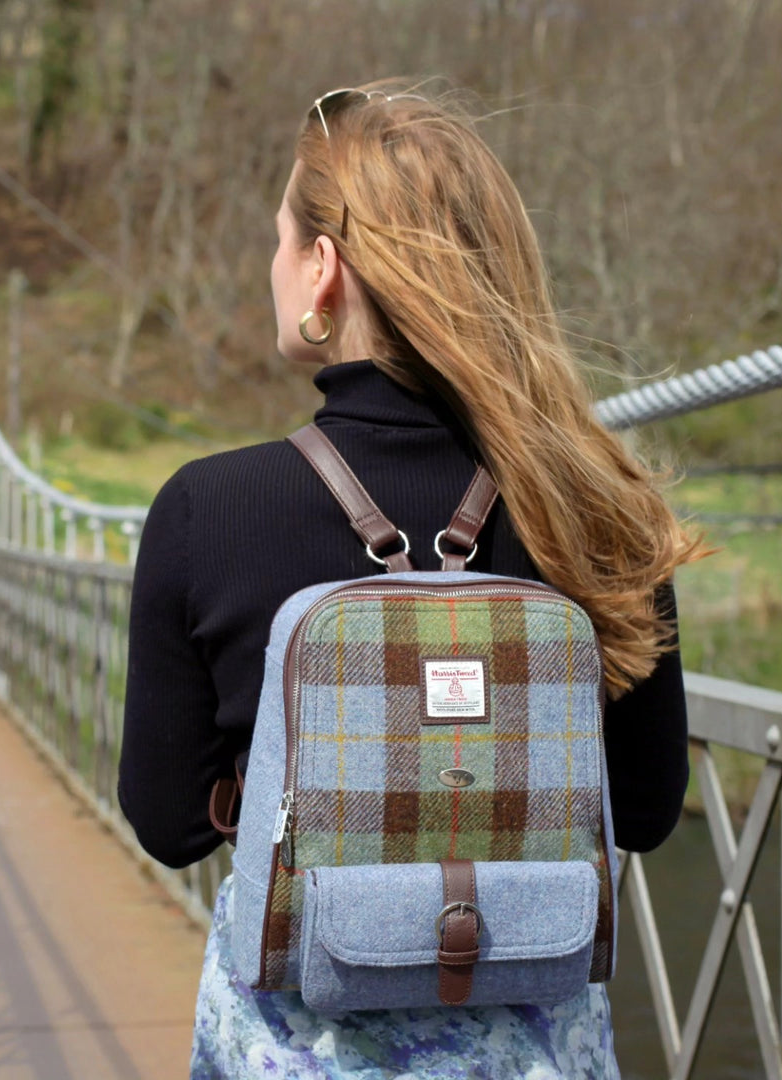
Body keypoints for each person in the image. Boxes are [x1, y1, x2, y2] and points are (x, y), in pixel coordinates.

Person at [118, 82, 703, 1079]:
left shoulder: (206, 510)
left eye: (279, 242)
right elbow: (645, 812)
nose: (273, 267)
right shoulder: (599, 506)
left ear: (325, 270)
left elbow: (171, 826)